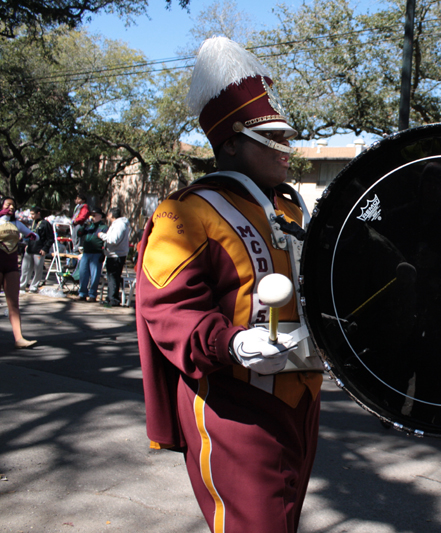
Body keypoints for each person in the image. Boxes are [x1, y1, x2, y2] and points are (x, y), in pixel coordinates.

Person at [136, 36, 323, 532]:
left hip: (303, 398)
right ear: (232, 143)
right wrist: (233, 341)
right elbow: (168, 309)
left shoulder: (289, 207)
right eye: (272, 139)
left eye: (286, 137)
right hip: (233, 401)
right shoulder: (185, 212)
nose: (286, 149)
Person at [0, 196, 38, 348]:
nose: (11, 208)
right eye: (8, 205)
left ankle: (19, 338)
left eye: (13, 206)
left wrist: (32, 235)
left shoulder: (16, 223)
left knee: (13, 303)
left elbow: (34, 235)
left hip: (11, 266)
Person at [98, 207, 130, 307]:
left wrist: (102, 235)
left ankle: (113, 299)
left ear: (112, 215)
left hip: (116, 255)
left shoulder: (120, 225)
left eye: (108, 214)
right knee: (111, 277)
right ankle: (111, 297)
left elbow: (114, 239)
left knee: (113, 277)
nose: (107, 216)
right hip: (113, 254)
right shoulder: (118, 224)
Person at [20, 206, 54, 293]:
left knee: (37, 270)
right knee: (25, 268)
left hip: (39, 250)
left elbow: (50, 238)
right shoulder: (32, 222)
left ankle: (33, 287)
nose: (31, 216)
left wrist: (45, 249)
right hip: (30, 249)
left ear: (38, 213)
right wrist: (27, 245)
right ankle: (22, 286)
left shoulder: (45, 224)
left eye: (32, 214)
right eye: (30, 214)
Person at [77, 208, 107, 302]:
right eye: (91, 215)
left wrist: (103, 253)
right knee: (83, 273)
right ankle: (82, 293)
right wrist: (84, 225)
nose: (92, 217)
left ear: (100, 216)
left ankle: (92, 294)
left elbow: (106, 241)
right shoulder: (89, 226)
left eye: (94, 215)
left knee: (95, 275)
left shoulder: (104, 227)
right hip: (86, 253)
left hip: (96, 253)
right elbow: (79, 233)